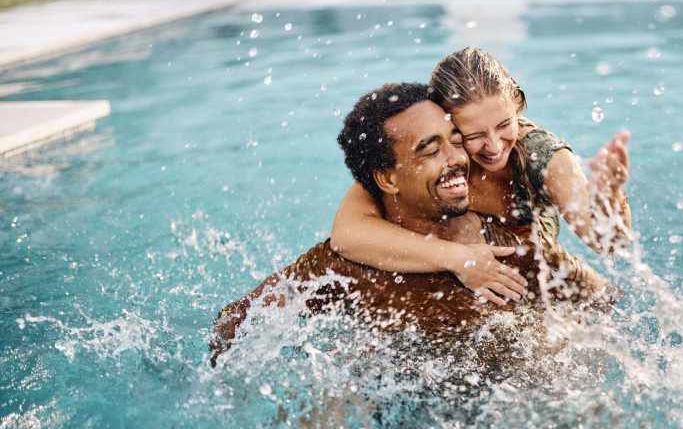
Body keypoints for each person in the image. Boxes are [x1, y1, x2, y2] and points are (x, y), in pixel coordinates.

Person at [210, 82, 609, 366]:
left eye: (456, 140)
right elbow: (236, 325)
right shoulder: (346, 266)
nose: (457, 159)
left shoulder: (506, 252)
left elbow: (603, 304)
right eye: (430, 150)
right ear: (387, 179)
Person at [329, 47, 632, 306]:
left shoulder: (544, 157)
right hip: (465, 262)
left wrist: (611, 195)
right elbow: (347, 235)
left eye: (504, 125)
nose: (495, 146)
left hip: (537, 264)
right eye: (473, 135)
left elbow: (606, 243)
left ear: (517, 103)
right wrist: (458, 259)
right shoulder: (438, 156)